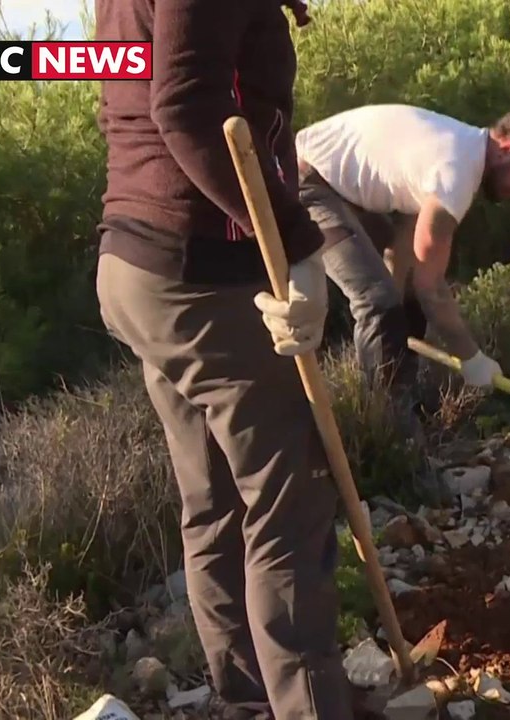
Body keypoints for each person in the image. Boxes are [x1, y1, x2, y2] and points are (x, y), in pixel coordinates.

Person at [92, 0, 355, 717]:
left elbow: (133, 96)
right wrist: (299, 246)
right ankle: (307, 707)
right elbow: (184, 105)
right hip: (202, 271)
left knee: (213, 501)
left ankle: (248, 701)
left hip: (138, 267)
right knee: (287, 502)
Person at [293, 103, 510, 481]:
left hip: (339, 187)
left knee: (397, 299)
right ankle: (388, 438)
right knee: (377, 301)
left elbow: (403, 256)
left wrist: (399, 317)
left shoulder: (459, 154)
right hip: (304, 181)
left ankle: (399, 396)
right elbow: (433, 289)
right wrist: (472, 358)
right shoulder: (455, 172)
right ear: (508, 149)